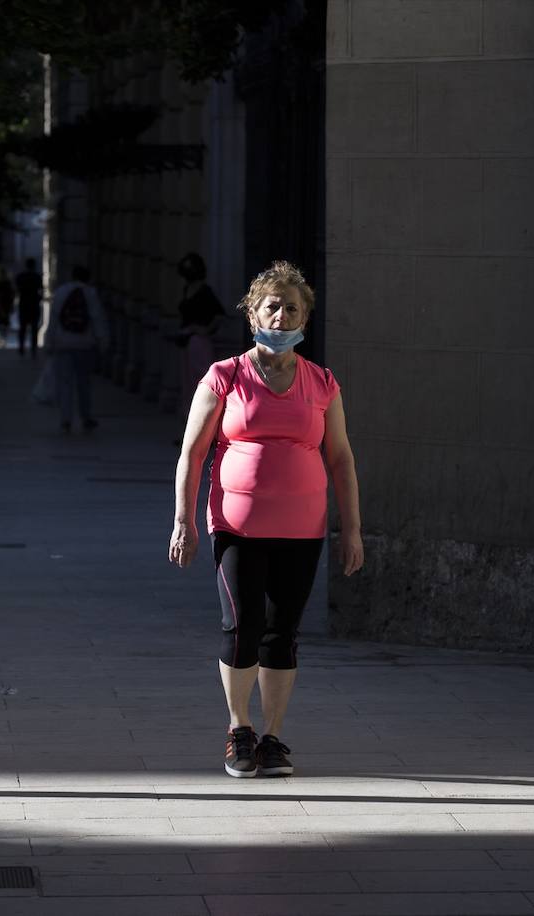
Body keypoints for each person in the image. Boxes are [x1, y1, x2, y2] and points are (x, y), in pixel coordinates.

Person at [168, 260, 364, 779]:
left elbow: (341, 457)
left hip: (303, 529)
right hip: (237, 527)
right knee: (242, 628)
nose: (281, 315)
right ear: (252, 312)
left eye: (292, 307)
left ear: (305, 318)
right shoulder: (225, 376)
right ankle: (239, 729)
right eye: (272, 305)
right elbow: (192, 452)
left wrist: (353, 530)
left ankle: (273, 736)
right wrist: (183, 521)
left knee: (283, 633)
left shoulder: (322, 383)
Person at [45, 265, 109, 432]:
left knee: (65, 382)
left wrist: (49, 341)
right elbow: (97, 319)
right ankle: (85, 416)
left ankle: (66, 418)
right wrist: (103, 341)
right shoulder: (90, 293)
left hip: (63, 343)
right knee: (84, 383)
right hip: (84, 344)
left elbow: (53, 319)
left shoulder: (61, 292)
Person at [175, 252, 225, 415]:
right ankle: (187, 428)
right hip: (186, 341)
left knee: (200, 384)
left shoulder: (205, 291)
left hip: (198, 342)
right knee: (187, 386)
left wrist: (203, 330)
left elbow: (219, 315)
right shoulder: (186, 288)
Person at [15, 258, 43, 357]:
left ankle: (21, 347)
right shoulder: (37, 277)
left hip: (24, 304)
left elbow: (17, 290)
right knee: (34, 328)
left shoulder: (21, 277)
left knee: (22, 327)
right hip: (34, 304)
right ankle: (33, 349)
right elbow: (41, 290)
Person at [0, 267, 15, 348]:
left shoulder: (2, 284)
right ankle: (1, 340)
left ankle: (2, 340)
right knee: (1, 324)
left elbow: (11, 296)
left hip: (3, 306)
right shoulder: (4, 284)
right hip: (1, 306)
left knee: (2, 324)